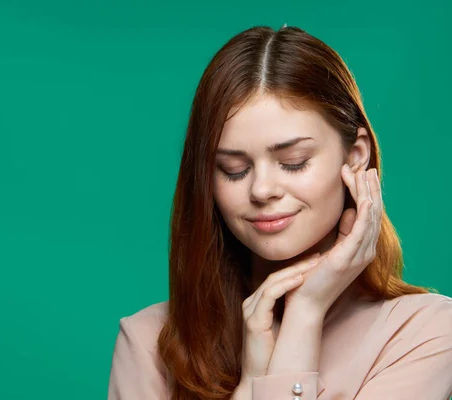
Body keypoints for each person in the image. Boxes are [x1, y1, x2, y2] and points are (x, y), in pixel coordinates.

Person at [107, 25, 452, 400]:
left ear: (355, 157)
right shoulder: (148, 342)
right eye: (233, 169)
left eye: (293, 162)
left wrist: (304, 313)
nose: (261, 190)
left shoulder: (425, 332)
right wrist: (249, 383)